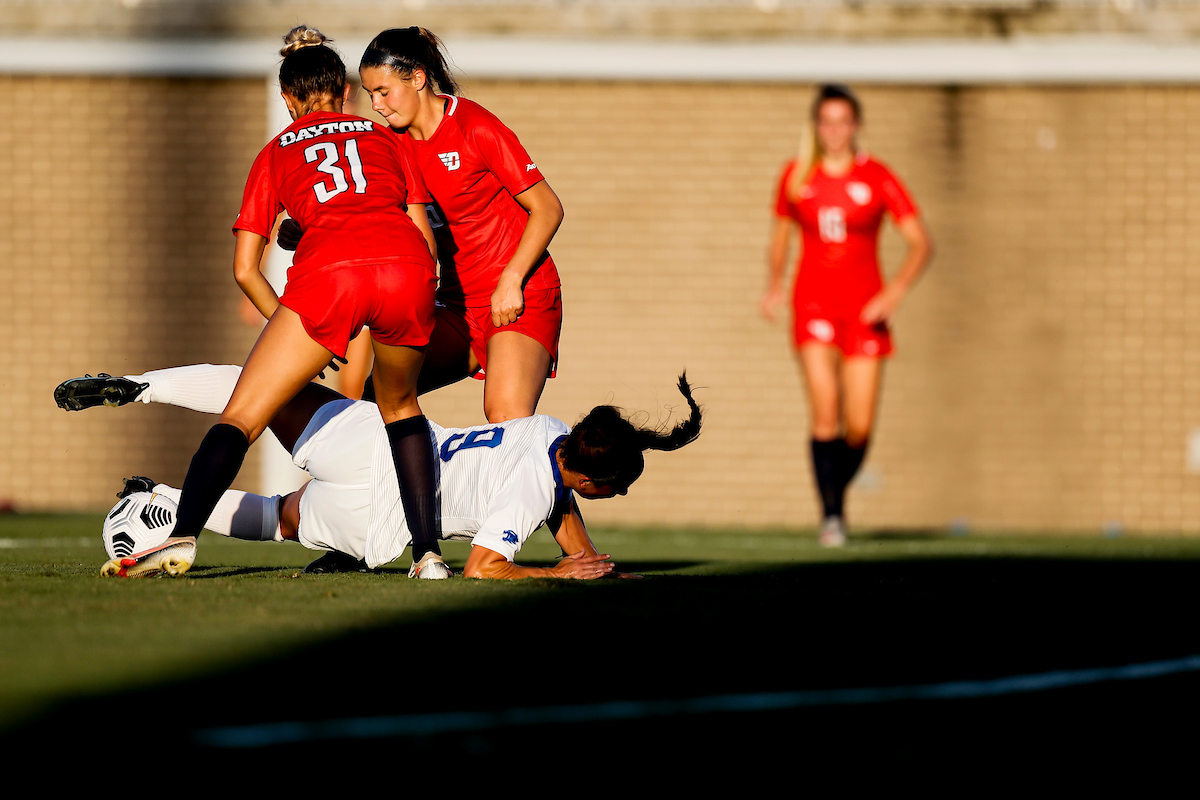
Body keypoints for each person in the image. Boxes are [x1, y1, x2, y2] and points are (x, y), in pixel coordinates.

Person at [112, 27, 449, 579]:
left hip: (328, 279)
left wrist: (289, 324)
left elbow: (246, 269)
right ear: (344, 92)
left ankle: (180, 538)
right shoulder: (390, 138)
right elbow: (423, 235)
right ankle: (429, 556)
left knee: (241, 417)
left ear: (288, 100)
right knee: (401, 409)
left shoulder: (274, 152)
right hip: (406, 269)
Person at [54, 366, 702, 579]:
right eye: (613, 488)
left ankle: (142, 388)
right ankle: (162, 499)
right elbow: (483, 567)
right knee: (281, 518)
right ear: (588, 478)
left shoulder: (553, 432)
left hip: (382, 445)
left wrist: (590, 560)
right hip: (386, 520)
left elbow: (569, 512)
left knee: (264, 386)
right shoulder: (537, 488)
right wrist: (558, 574)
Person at [280, 26, 565, 424]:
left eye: (384, 91)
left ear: (417, 78)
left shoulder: (473, 126)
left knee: (506, 418)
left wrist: (512, 279)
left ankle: (560, 480)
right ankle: (400, 487)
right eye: (370, 93)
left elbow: (548, 208)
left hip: (519, 296)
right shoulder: (387, 144)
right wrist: (307, 230)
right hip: (456, 305)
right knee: (374, 403)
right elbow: (368, 215)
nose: (376, 104)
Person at [760, 85, 932, 547]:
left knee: (858, 427)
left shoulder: (877, 177)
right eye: (827, 121)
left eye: (843, 121)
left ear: (856, 125)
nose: (835, 130)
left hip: (865, 313)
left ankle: (834, 489)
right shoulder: (797, 176)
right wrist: (774, 286)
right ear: (816, 126)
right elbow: (780, 237)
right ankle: (832, 516)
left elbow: (921, 242)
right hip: (814, 307)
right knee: (826, 415)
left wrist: (893, 294)